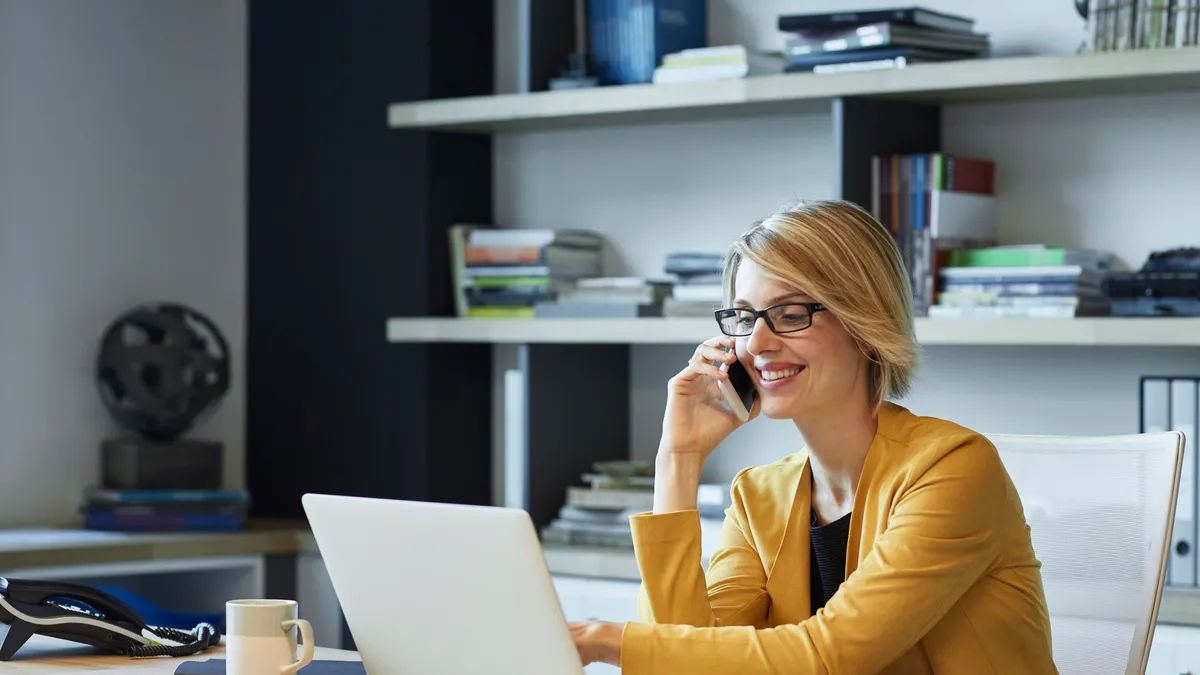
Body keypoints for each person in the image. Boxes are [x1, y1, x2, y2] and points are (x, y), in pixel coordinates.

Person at [568, 200, 1058, 674]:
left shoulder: (954, 469)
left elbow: (828, 657)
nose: (757, 343)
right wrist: (679, 457)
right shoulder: (758, 497)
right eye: (745, 317)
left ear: (864, 319)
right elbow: (686, 657)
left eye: (789, 313)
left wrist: (601, 639)